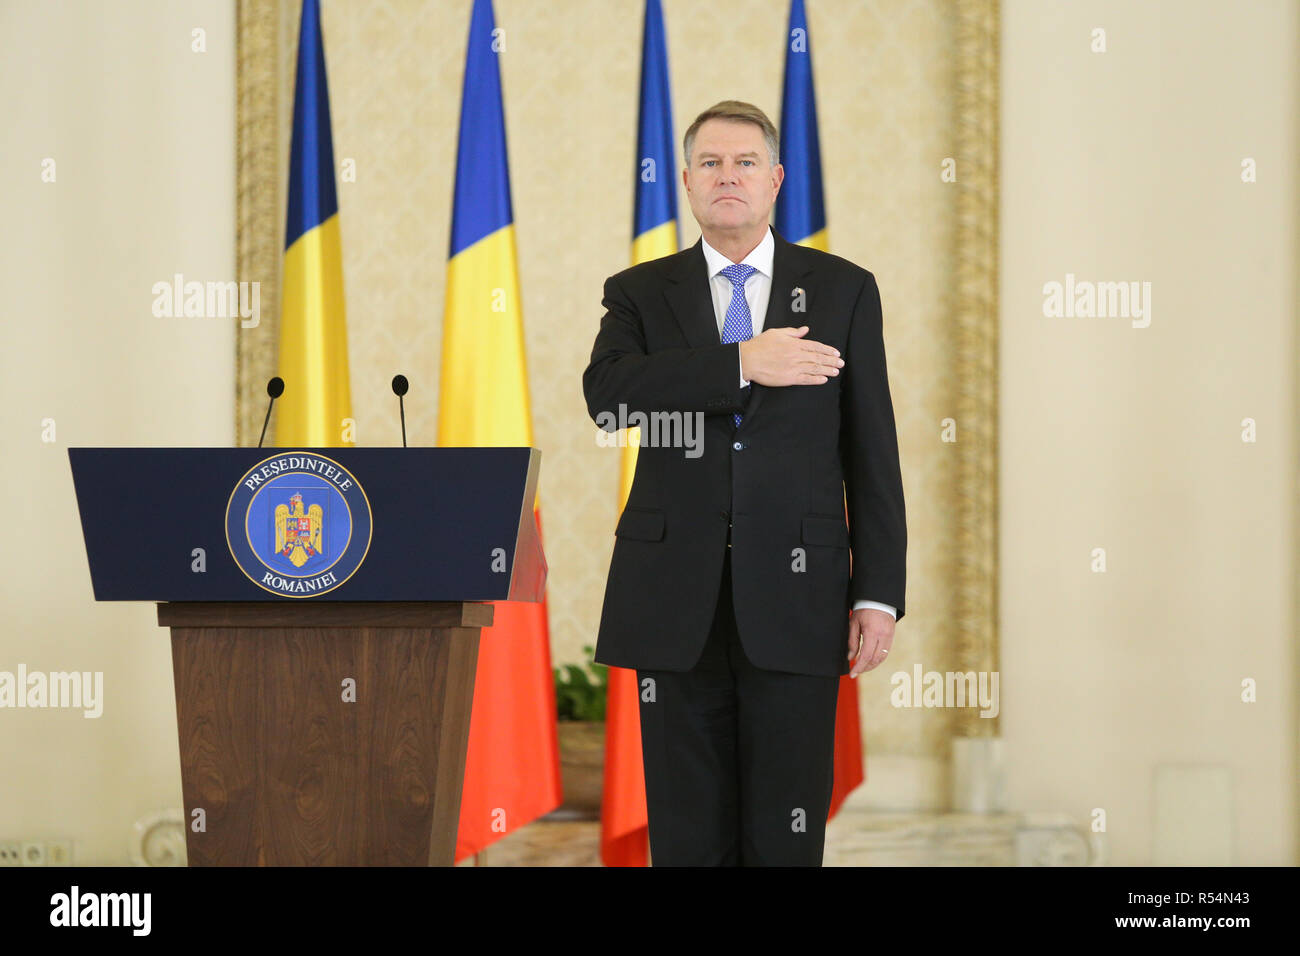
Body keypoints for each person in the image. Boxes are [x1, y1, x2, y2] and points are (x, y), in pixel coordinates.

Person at [582, 100, 906, 866]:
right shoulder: (638, 290)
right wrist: (738, 363)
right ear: (688, 183)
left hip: (801, 596)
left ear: (775, 180)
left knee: (785, 834)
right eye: (713, 165)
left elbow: (872, 447)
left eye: (746, 163)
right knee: (688, 838)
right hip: (672, 597)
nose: (729, 177)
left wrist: (877, 592)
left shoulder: (842, 289)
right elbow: (609, 401)